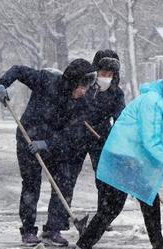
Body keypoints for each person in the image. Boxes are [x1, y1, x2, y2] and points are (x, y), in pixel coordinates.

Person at [72, 61, 163, 249]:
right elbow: (151, 141)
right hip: (122, 156)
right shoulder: (152, 101)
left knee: (146, 201)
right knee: (114, 207)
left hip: (132, 157)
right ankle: (83, 247)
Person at [0, 59, 97, 247]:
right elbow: (18, 69)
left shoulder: (82, 103)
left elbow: (71, 134)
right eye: (82, 85)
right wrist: (3, 84)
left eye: (87, 86)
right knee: (31, 184)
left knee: (63, 181)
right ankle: (27, 230)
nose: (84, 91)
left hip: (52, 144)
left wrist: (47, 143)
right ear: (73, 80)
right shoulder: (46, 80)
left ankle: (52, 230)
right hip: (27, 137)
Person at [51, 50, 125, 235]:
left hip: (101, 138)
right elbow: (69, 106)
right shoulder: (84, 85)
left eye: (110, 74)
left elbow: (120, 118)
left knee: (105, 179)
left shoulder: (116, 93)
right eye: (102, 73)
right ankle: (57, 223)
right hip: (76, 134)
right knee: (66, 178)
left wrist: (118, 137)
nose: (106, 77)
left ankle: (103, 218)